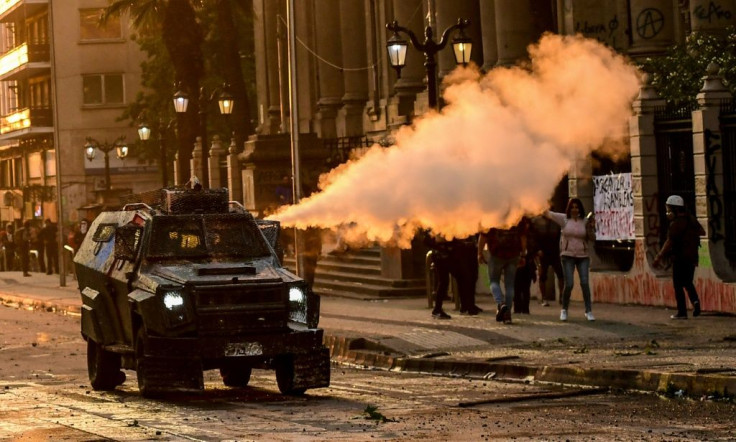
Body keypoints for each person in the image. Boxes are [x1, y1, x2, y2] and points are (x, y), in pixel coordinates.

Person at [652, 195, 705, 319]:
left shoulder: (676, 224)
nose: (668, 213)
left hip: (680, 258)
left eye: (669, 210)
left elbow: (669, 242)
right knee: (688, 282)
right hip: (692, 257)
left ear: (675, 210)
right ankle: (696, 302)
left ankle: (682, 312)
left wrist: (658, 257)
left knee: (678, 285)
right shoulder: (691, 219)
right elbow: (702, 231)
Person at [545, 198, 596, 322]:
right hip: (567, 256)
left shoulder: (585, 221)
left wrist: (591, 227)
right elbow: (548, 214)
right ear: (569, 208)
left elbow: (593, 238)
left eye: (577, 207)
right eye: (572, 207)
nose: (574, 209)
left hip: (583, 256)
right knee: (569, 284)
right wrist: (538, 204)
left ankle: (588, 311)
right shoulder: (564, 219)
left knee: (584, 283)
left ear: (580, 209)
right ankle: (564, 309)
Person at [479, 220, 527, 324]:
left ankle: (501, 303)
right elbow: (523, 237)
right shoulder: (518, 214)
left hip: (496, 255)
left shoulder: (492, 214)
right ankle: (507, 314)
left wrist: (479, 253)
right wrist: (523, 254)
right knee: (510, 285)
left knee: (493, 281)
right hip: (513, 255)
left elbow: (483, 236)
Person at [425, 234, 481, 319]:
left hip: (449, 254)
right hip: (442, 255)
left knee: (461, 278)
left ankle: (465, 306)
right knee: (444, 281)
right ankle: (437, 309)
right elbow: (427, 240)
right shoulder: (435, 226)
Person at [530, 212, 564, 306]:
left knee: (561, 274)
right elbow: (533, 238)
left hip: (554, 252)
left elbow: (560, 237)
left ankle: (561, 296)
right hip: (543, 253)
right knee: (543, 276)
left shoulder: (555, 222)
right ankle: (543, 298)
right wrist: (537, 250)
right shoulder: (536, 222)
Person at [513, 217, 536, 314]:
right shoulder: (516, 234)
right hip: (517, 261)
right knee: (517, 287)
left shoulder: (531, 235)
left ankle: (525, 308)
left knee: (526, 288)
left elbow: (533, 248)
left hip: (528, 262)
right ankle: (517, 308)